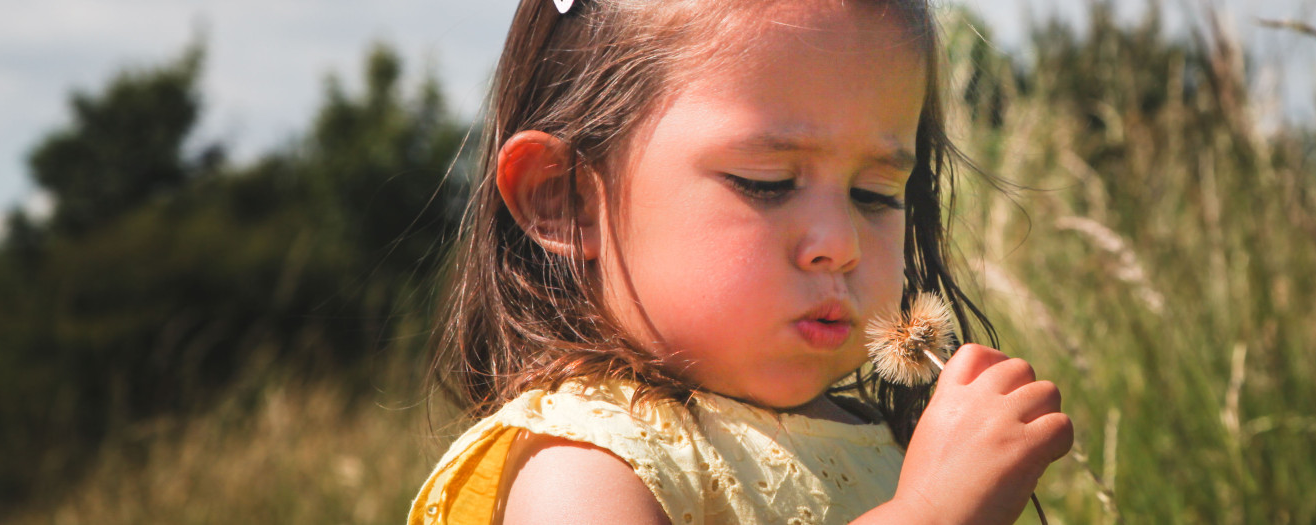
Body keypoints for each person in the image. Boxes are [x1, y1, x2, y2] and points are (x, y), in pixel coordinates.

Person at [409, 0, 1072, 523]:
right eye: (767, 182)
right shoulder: (583, 466)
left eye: (874, 193)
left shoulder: (898, 447)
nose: (838, 242)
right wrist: (928, 513)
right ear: (566, 198)